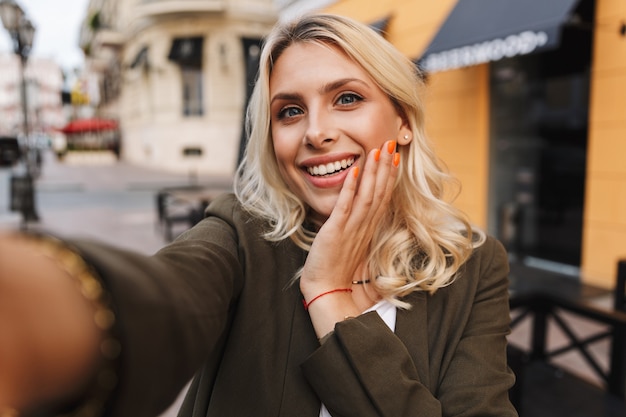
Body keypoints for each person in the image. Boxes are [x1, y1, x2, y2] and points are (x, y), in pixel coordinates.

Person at [0, 13, 517, 417]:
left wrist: (333, 301)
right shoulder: (242, 233)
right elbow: (167, 298)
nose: (316, 132)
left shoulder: (472, 263)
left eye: (347, 98)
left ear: (403, 119)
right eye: (289, 110)